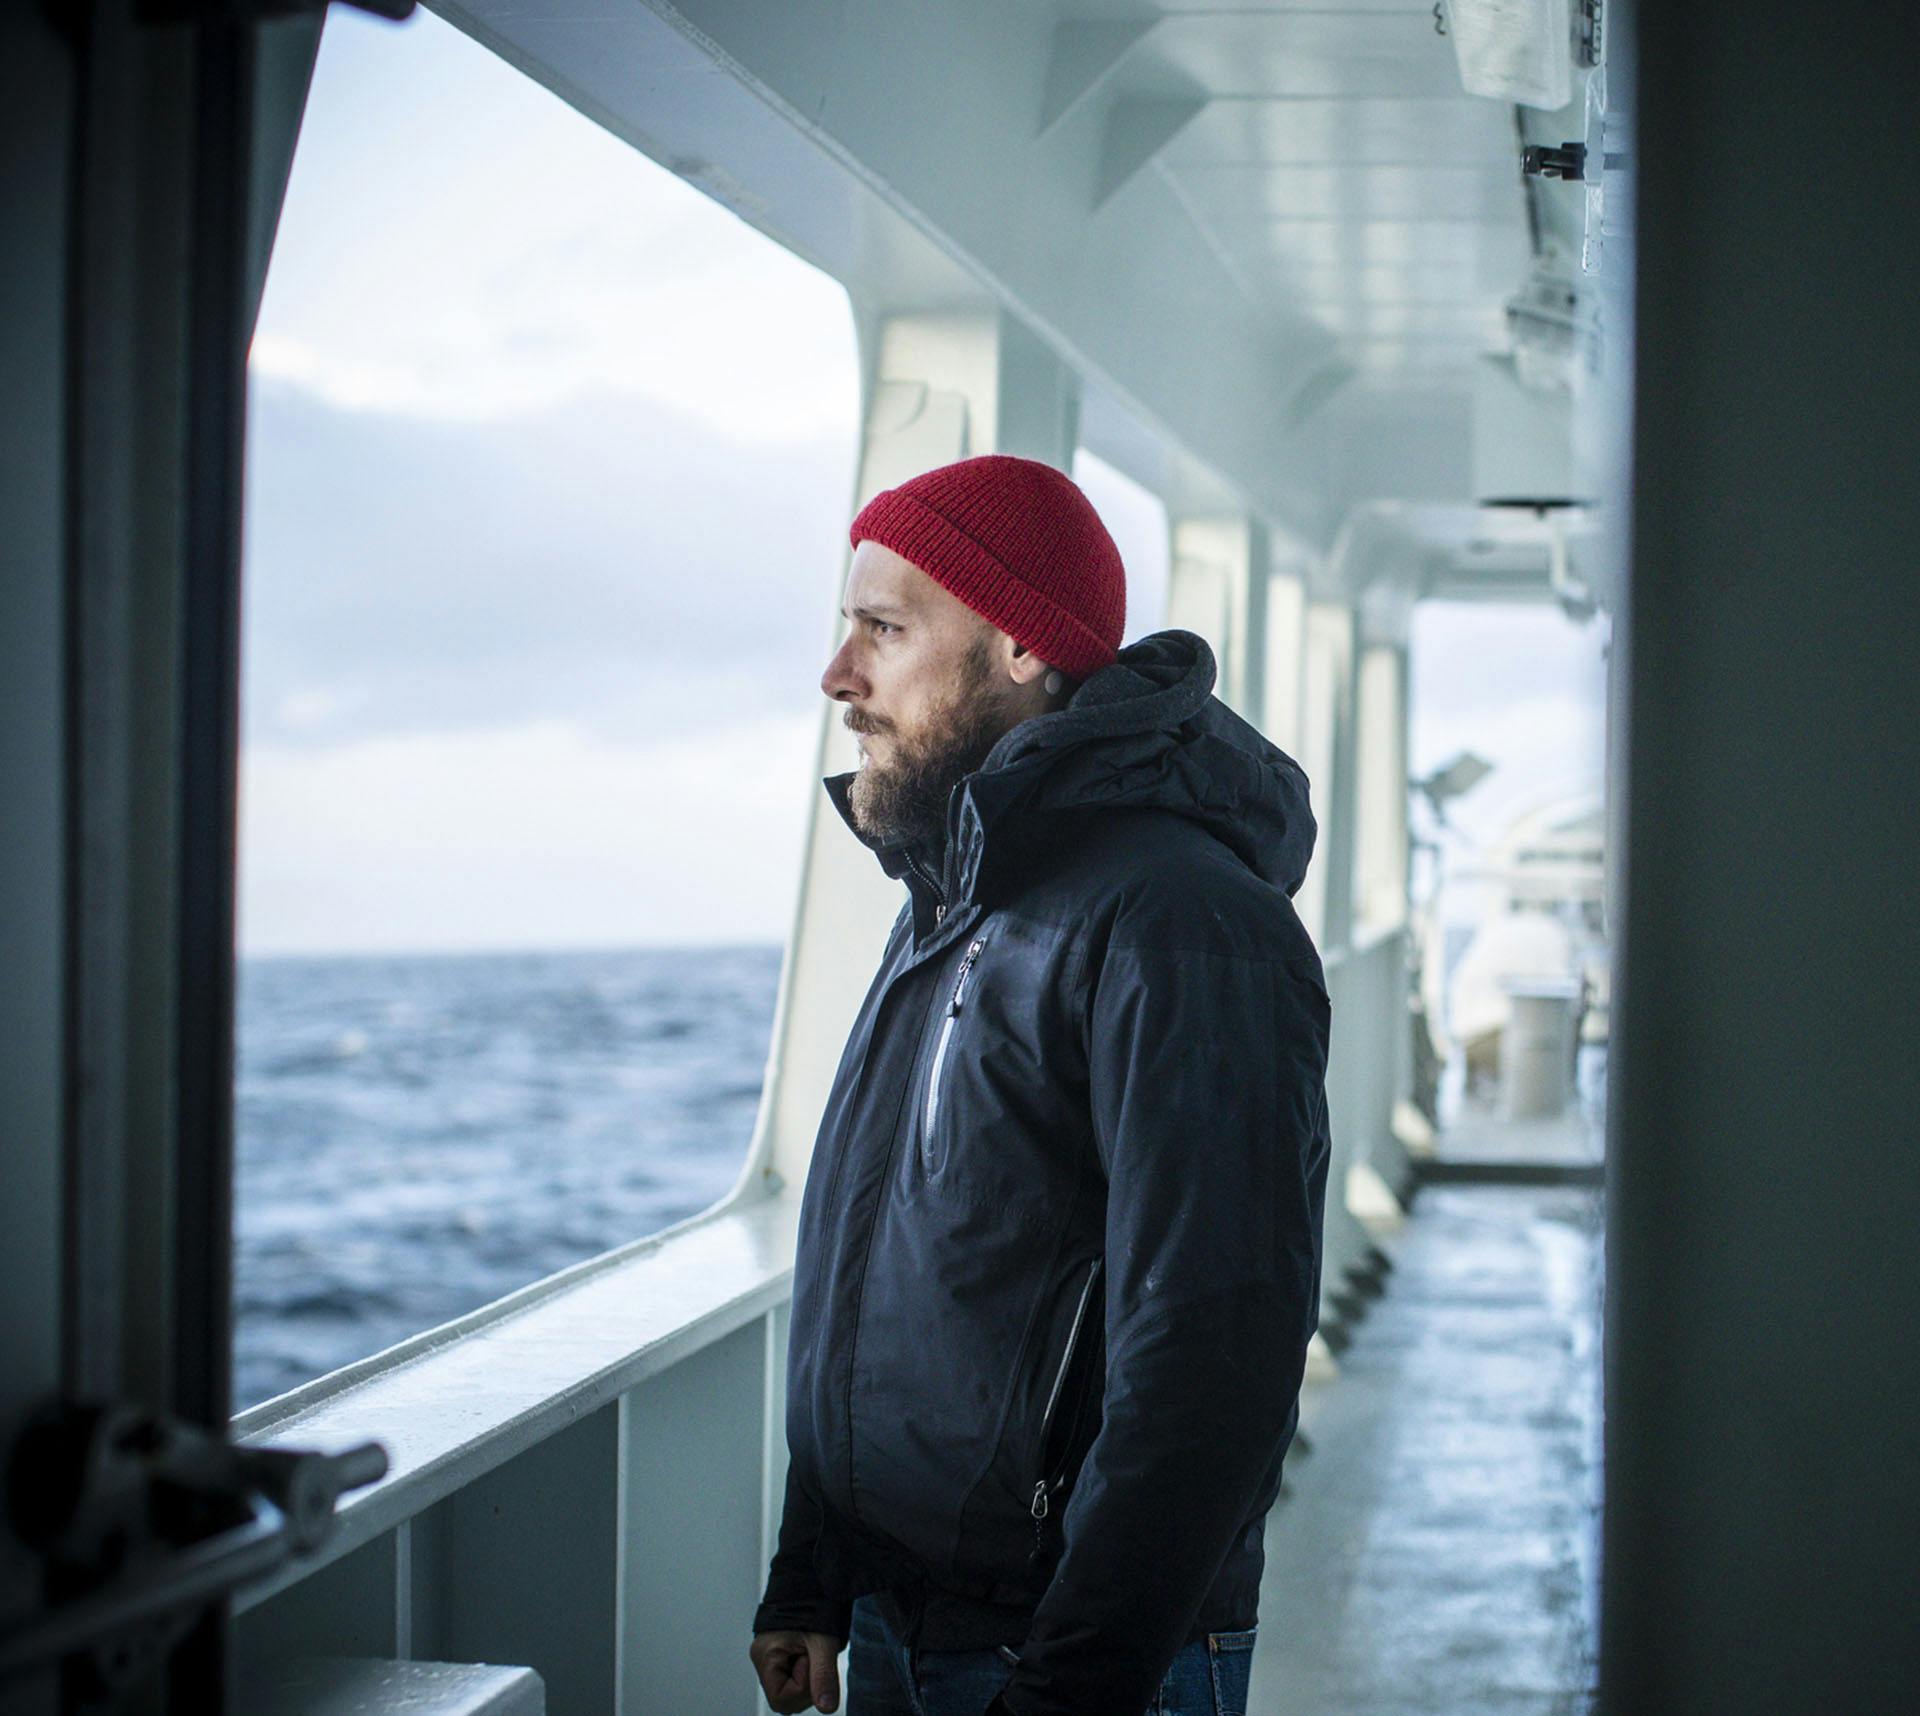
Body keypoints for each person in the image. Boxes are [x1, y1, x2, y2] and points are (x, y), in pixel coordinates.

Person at [748, 453, 1332, 1716]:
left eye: (884, 629)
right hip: (902, 1625)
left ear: (1019, 643)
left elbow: (1213, 1361)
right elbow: (878, 1258)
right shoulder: (951, 899)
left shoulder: (1184, 925)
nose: (839, 676)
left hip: (1064, 1659)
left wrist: (1072, 1689)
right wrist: (813, 1573)